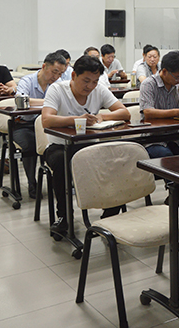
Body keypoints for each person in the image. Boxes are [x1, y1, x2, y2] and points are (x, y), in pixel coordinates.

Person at [42, 55, 130, 235]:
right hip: (61, 146)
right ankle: (64, 216)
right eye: (86, 81)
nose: (90, 86)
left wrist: (102, 116)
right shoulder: (57, 89)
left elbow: (124, 113)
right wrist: (77, 120)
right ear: (74, 75)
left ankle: (109, 216)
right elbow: (46, 120)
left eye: (95, 81)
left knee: (118, 159)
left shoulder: (99, 90)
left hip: (89, 146)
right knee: (60, 162)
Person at [14, 52, 67, 198]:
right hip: (24, 125)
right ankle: (32, 183)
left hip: (47, 126)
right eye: (54, 72)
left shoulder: (58, 84)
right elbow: (21, 100)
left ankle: (59, 182)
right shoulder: (27, 81)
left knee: (59, 145)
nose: (56, 76)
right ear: (44, 66)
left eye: (60, 73)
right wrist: (49, 102)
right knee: (30, 145)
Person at [139, 50, 179, 158]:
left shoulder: (177, 85)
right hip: (153, 137)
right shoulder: (149, 84)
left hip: (174, 136)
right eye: (177, 77)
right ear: (164, 71)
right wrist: (176, 112)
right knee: (165, 156)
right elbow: (148, 112)